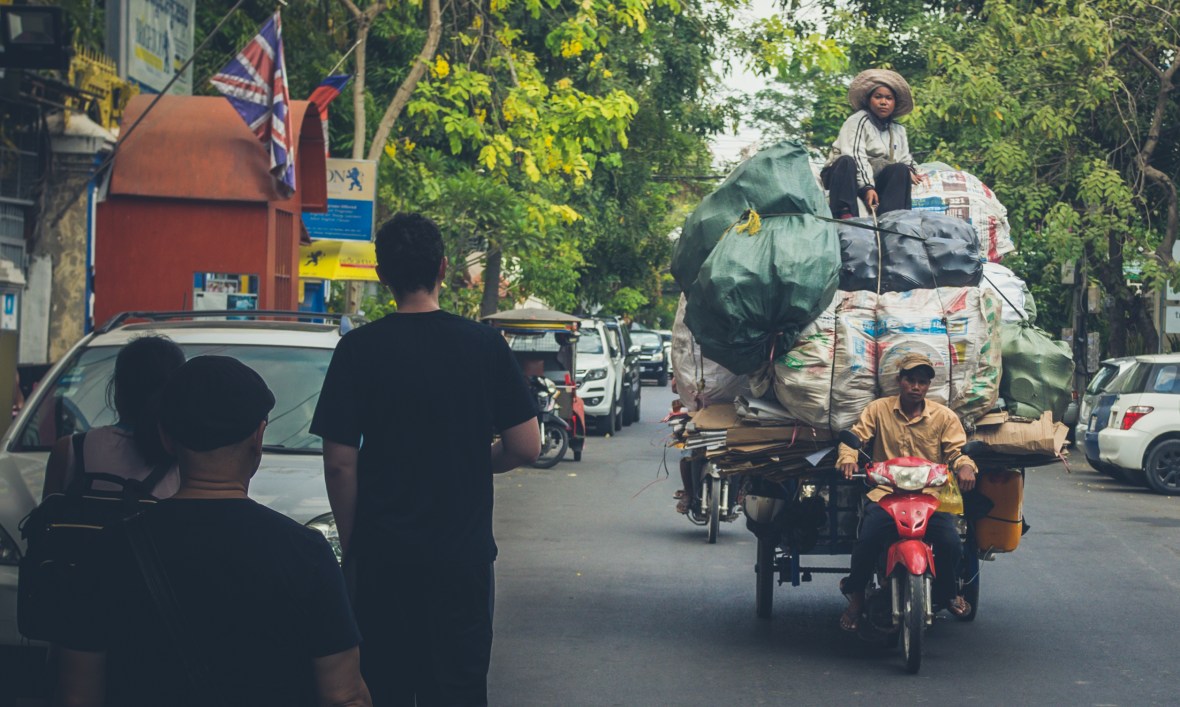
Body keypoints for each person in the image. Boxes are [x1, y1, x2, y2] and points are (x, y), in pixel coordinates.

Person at [311, 213, 541, 706]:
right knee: (456, 691)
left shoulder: (357, 350)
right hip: (461, 563)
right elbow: (526, 445)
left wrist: (354, 549)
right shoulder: (484, 346)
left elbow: (339, 463)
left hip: (383, 562)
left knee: (385, 686)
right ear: (443, 267)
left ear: (381, 274)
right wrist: (477, 461)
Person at [53, 355, 370, 707]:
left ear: (166, 438)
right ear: (258, 438)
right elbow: (344, 695)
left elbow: (77, 696)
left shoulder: (106, 552)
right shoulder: (307, 554)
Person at [835, 353, 977, 632]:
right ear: (899, 381)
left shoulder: (943, 417)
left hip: (929, 498)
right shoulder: (878, 410)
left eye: (922, 382)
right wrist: (848, 457)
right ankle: (856, 598)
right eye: (910, 380)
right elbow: (857, 437)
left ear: (928, 386)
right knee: (867, 540)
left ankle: (949, 592)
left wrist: (965, 467)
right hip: (886, 495)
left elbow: (957, 452)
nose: (916, 386)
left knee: (950, 542)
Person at [42, 335, 186, 500]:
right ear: (177, 393)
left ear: (117, 389)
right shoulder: (187, 458)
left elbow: (46, 520)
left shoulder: (70, 450)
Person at [821, 69, 923, 219]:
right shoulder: (858, 121)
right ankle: (846, 215)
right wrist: (867, 187)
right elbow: (855, 155)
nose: (883, 102)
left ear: (894, 103)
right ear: (869, 101)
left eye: (889, 98)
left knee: (900, 170)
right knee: (847, 162)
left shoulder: (898, 130)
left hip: (875, 178)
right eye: (878, 97)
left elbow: (904, 158)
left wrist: (910, 170)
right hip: (844, 176)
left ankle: (891, 221)